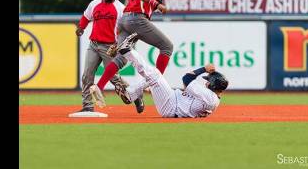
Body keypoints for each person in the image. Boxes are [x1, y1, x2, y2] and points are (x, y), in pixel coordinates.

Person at [92, 0, 173, 113]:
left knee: (121, 58)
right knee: (166, 46)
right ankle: (152, 84)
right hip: (137, 19)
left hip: (125, 19)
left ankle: (99, 86)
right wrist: (157, 5)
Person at [90, 33, 229, 118]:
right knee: (154, 78)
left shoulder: (209, 97)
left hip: (171, 106)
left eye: (208, 81)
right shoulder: (211, 98)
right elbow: (186, 91)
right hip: (173, 101)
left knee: (155, 75)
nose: (206, 82)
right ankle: (130, 94)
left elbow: (186, 79)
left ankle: (127, 51)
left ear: (213, 84)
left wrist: (203, 69)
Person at [76, 0, 132, 112]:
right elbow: (86, 17)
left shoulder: (120, 8)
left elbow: (125, 30)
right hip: (94, 45)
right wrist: (81, 28)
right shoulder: (94, 4)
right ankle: (87, 106)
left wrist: (119, 46)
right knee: (87, 75)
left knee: (112, 77)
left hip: (110, 48)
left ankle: (133, 94)